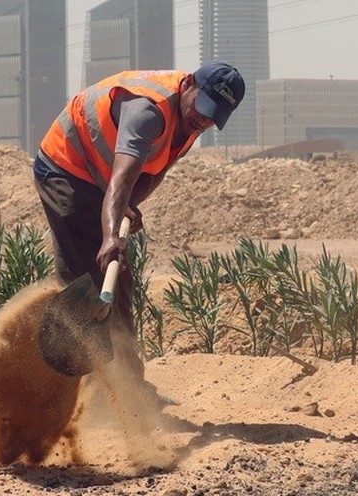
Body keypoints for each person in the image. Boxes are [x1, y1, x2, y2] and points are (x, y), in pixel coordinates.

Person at [33, 62, 245, 373]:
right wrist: (110, 235)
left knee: (119, 281)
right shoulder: (148, 112)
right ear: (187, 85)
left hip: (102, 179)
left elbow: (154, 171)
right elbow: (121, 180)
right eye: (202, 106)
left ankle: (131, 390)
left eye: (213, 115)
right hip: (66, 166)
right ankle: (83, 388)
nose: (203, 118)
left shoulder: (191, 123)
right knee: (86, 275)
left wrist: (128, 206)